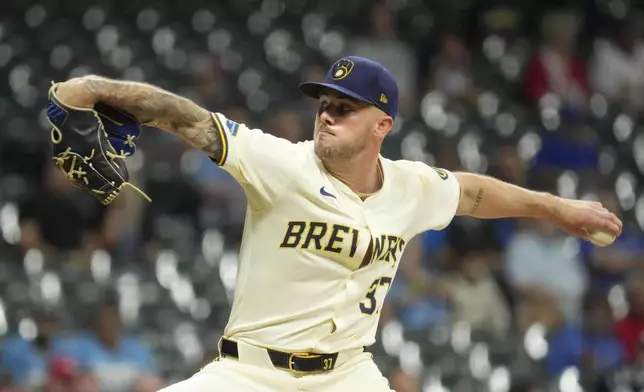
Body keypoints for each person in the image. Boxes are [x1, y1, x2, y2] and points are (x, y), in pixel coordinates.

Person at [50, 56, 622, 392]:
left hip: (348, 376)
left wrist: (558, 208)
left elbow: (473, 192)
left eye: (345, 107)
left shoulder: (409, 186)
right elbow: (190, 120)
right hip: (250, 375)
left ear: (383, 125)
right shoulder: (282, 163)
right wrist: (94, 90)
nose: (327, 111)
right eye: (324, 101)